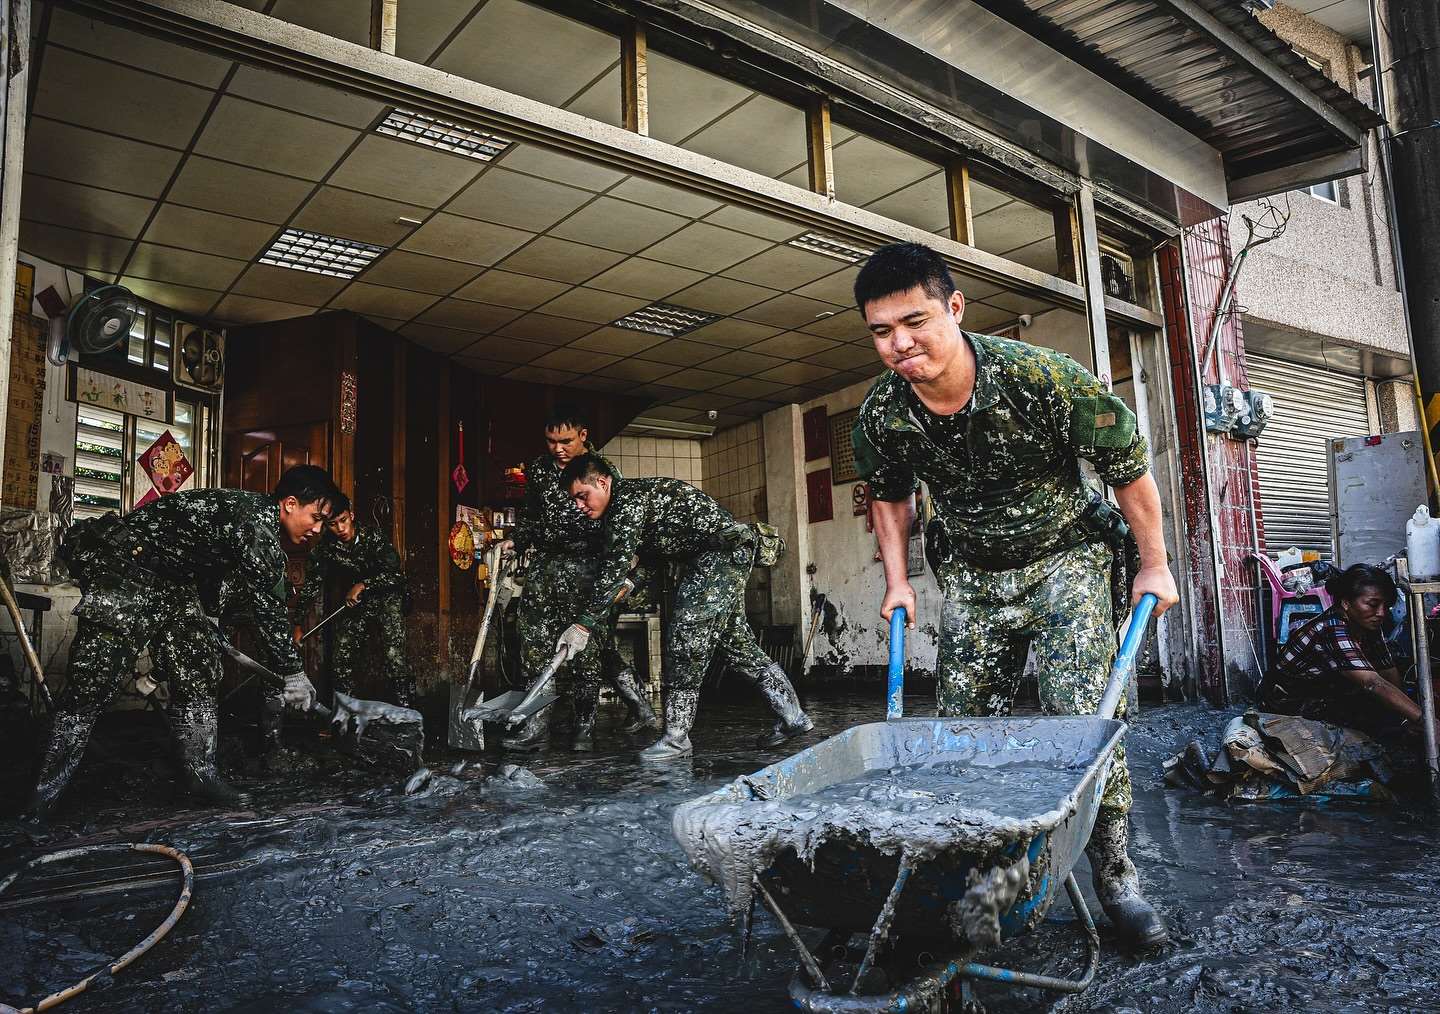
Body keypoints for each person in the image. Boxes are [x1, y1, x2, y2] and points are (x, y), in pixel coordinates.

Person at [851, 242, 1179, 948]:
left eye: (915, 321)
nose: (900, 344)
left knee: (1083, 719)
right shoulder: (883, 413)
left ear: (955, 309)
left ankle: (1117, 878)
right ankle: (985, 874)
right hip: (971, 572)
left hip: (1067, 557)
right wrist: (898, 581)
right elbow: (889, 497)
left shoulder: (1041, 379)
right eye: (881, 331)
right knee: (963, 730)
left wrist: (1154, 563)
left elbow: (1126, 469)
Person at [28, 466, 337, 820]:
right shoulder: (256, 524)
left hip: (173, 583)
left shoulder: (253, 522)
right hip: (127, 568)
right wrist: (293, 673)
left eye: (323, 523)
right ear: (290, 504)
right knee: (92, 684)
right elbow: (267, 606)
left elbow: (209, 564)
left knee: (199, 671)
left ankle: (201, 775)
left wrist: (208, 615)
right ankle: (39, 800)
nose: (316, 530)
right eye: (315, 518)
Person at [558, 453, 812, 760]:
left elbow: (613, 567)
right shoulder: (633, 501)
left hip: (720, 553)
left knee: (684, 637)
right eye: (574, 501)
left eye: (582, 497)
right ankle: (793, 716)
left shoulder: (626, 502)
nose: (580, 506)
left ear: (602, 482)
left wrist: (583, 625)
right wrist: (631, 583)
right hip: (720, 556)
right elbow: (655, 554)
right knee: (737, 645)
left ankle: (677, 737)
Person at [497, 407, 659, 752]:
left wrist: (621, 572)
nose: (558, 448)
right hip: (547, 565)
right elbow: (531, 515)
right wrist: (519, 539)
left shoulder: (603, 472)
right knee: (533, 642)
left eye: (566, 441)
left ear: (583, 436)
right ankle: (534, 724)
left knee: (587, 652)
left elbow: (617, 522)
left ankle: (584, 727)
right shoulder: (539, 469)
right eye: (551, 441)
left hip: (589, 568)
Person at [1262, 565, 1429, 741]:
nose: (1380, 613)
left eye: (1385, 606)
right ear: (1346, 602)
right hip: (1288, 700)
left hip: (1325, 690)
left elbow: (1387, 670)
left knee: (1391, 709)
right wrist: (1425, 720)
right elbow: (1372, 683)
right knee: (1374, 721)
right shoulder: (1331, 628)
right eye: (1373, 605)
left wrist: (1406, 717)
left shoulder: (1367, 625)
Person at [297, 493, 416, 709]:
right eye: (333, 524)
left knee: (394, 656)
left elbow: (397, 575)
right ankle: (344, 715)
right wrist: (297, 624)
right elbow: (311, 585)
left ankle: (406, 711)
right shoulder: (326, 546)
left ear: (351, 515)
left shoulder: (373, 536)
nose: (340, 529)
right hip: (356, 603)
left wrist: (364, 584)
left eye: (343, 521)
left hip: (387, 597)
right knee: (342, 656)